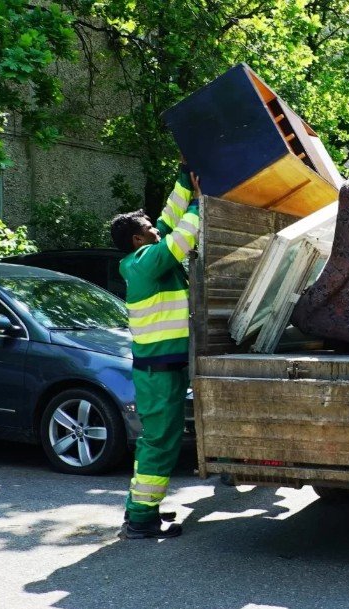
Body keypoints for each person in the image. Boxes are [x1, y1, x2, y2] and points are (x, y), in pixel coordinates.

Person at [109, 162, 200, 539]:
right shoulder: (145, 261)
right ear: (137, 239)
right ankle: (141, 519)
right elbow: (182, 238)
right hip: (158, 372)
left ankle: (142, 508)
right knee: (160, 443)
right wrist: (199, 203)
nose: (155, 229)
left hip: (162, 369)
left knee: (160, 441)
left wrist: (184, 178)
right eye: (148, 229)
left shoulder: (143, 256)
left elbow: (167, 219)